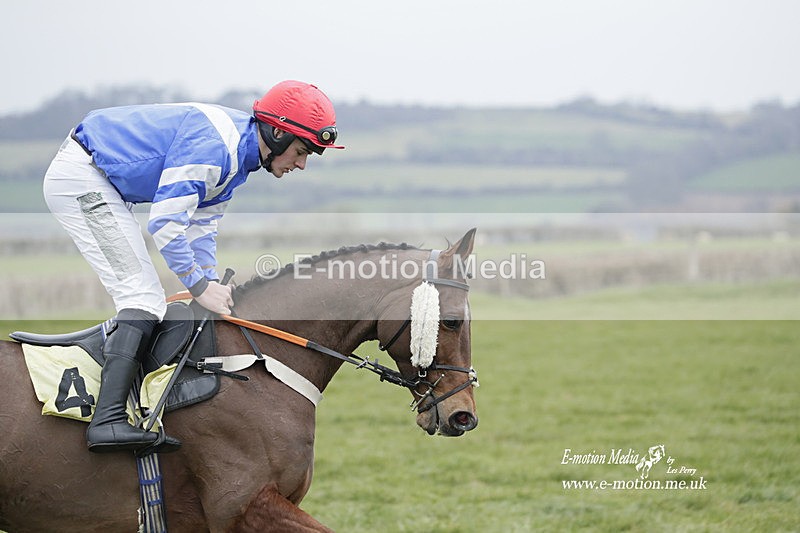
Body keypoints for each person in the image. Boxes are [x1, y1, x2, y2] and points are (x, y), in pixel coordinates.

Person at [43, 80, 344, 453]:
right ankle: (106, 421)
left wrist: (210, 285)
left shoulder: (239, 161)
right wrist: (200, 286)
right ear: (278, 133)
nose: (301, 164)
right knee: (142, 298)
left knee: (152, 297)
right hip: (82, 178)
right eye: (301, 152)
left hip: (107, 182)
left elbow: (202, 228)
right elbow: (166, 225)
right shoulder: (217, 148)